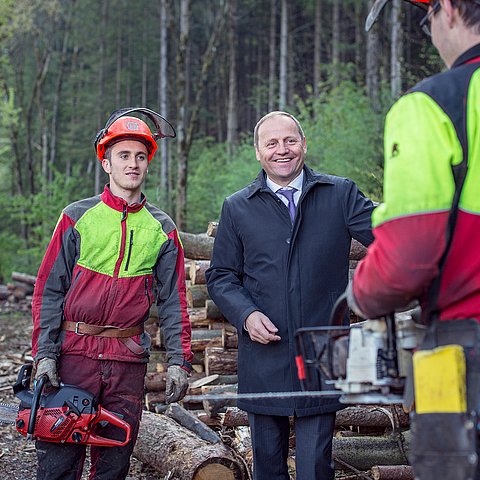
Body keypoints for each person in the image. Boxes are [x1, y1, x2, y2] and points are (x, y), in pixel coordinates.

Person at [347, 0, 480, 477]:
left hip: (461, 343)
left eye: (425, 21)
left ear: (446, 9)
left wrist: (358, 294)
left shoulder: (430, 104)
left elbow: (407, 256)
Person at [205, 111, 375, 480]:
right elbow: (220, 276)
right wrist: (246, 315)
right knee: (267, 467)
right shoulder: (238, 207)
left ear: (304, 145)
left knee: (316, 468)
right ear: (258, 152)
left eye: (290, 141)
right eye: (272, 143)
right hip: (264, 354)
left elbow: (390, 237)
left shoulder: (339, 194)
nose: (282, 150)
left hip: (321, 352)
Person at [31, 108, 193, 480]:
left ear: (148, 163)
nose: (132, 163)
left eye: (140, 156)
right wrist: (44, 354)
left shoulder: (162, 228)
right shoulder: (77, 217)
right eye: (123, 155)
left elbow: (174, 301)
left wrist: (180, 361)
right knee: (58, 463)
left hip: (126, 362)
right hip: (74, 356)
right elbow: (48, 290)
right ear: (106, 162)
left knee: (113, 466)